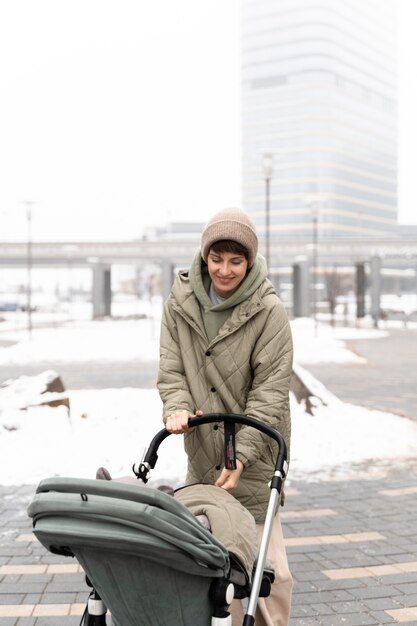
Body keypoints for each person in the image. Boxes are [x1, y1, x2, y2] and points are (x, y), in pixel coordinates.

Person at [157, 207, 293, 626]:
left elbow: (270, 391)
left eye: (236, 261)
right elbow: (171, 368)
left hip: (254, 447)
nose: (225, 270)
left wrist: (243, 455)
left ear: (249, 261)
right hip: (202, 450)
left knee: (268, 575)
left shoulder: (269, 312)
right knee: (217, 570)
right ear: (204, 255)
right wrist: (177, 406)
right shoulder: (178, 304)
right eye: (217, 259)